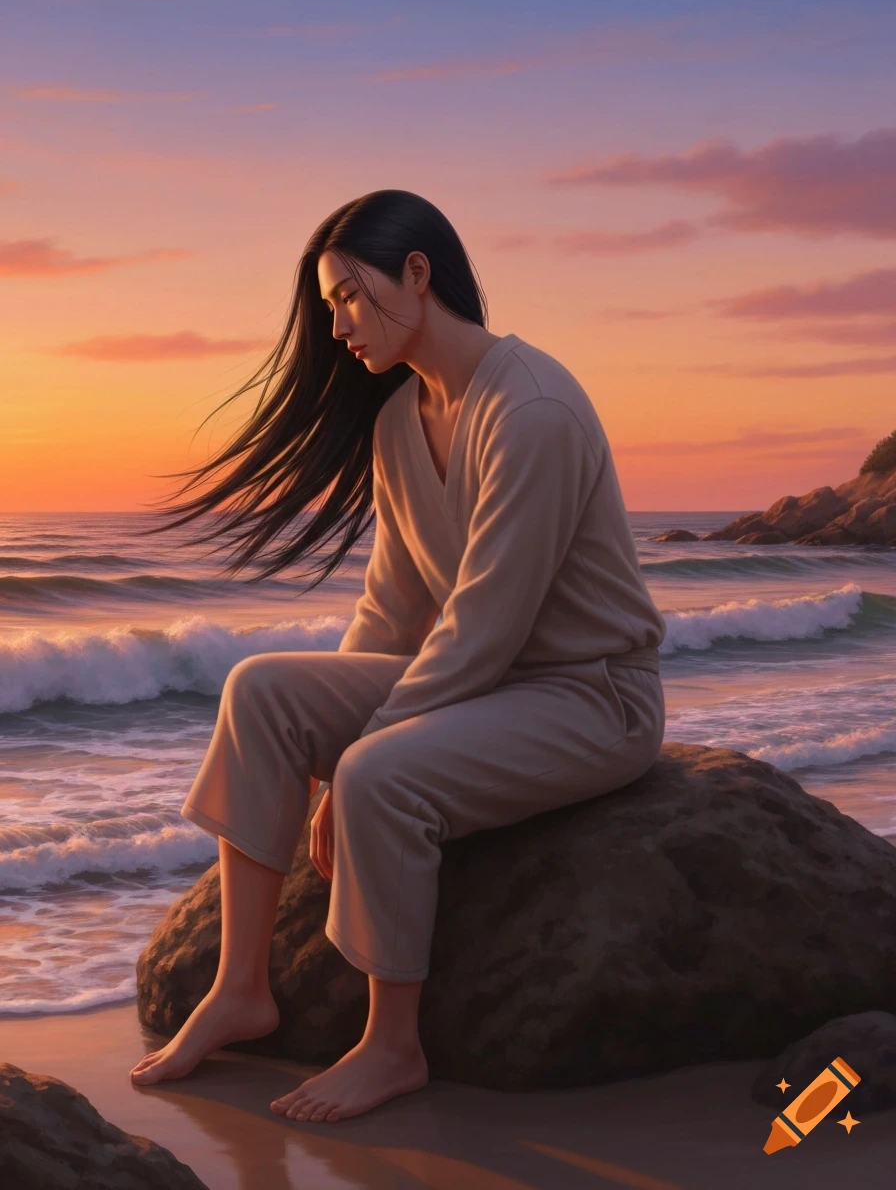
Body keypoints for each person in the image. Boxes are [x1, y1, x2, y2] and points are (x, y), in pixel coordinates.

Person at [128, 189, 667, 1123]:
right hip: (489, 685)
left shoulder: (531, 408)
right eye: (328, 305)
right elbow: (395, 610)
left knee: (378, 775)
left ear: (419, 274)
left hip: (588, 697)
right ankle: (241, 988)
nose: (336, 326)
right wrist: (334, 719)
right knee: (260, 691)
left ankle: (392, 1046)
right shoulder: (398, 422)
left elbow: (487, 625)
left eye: (347, 296)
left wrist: (348, 767)